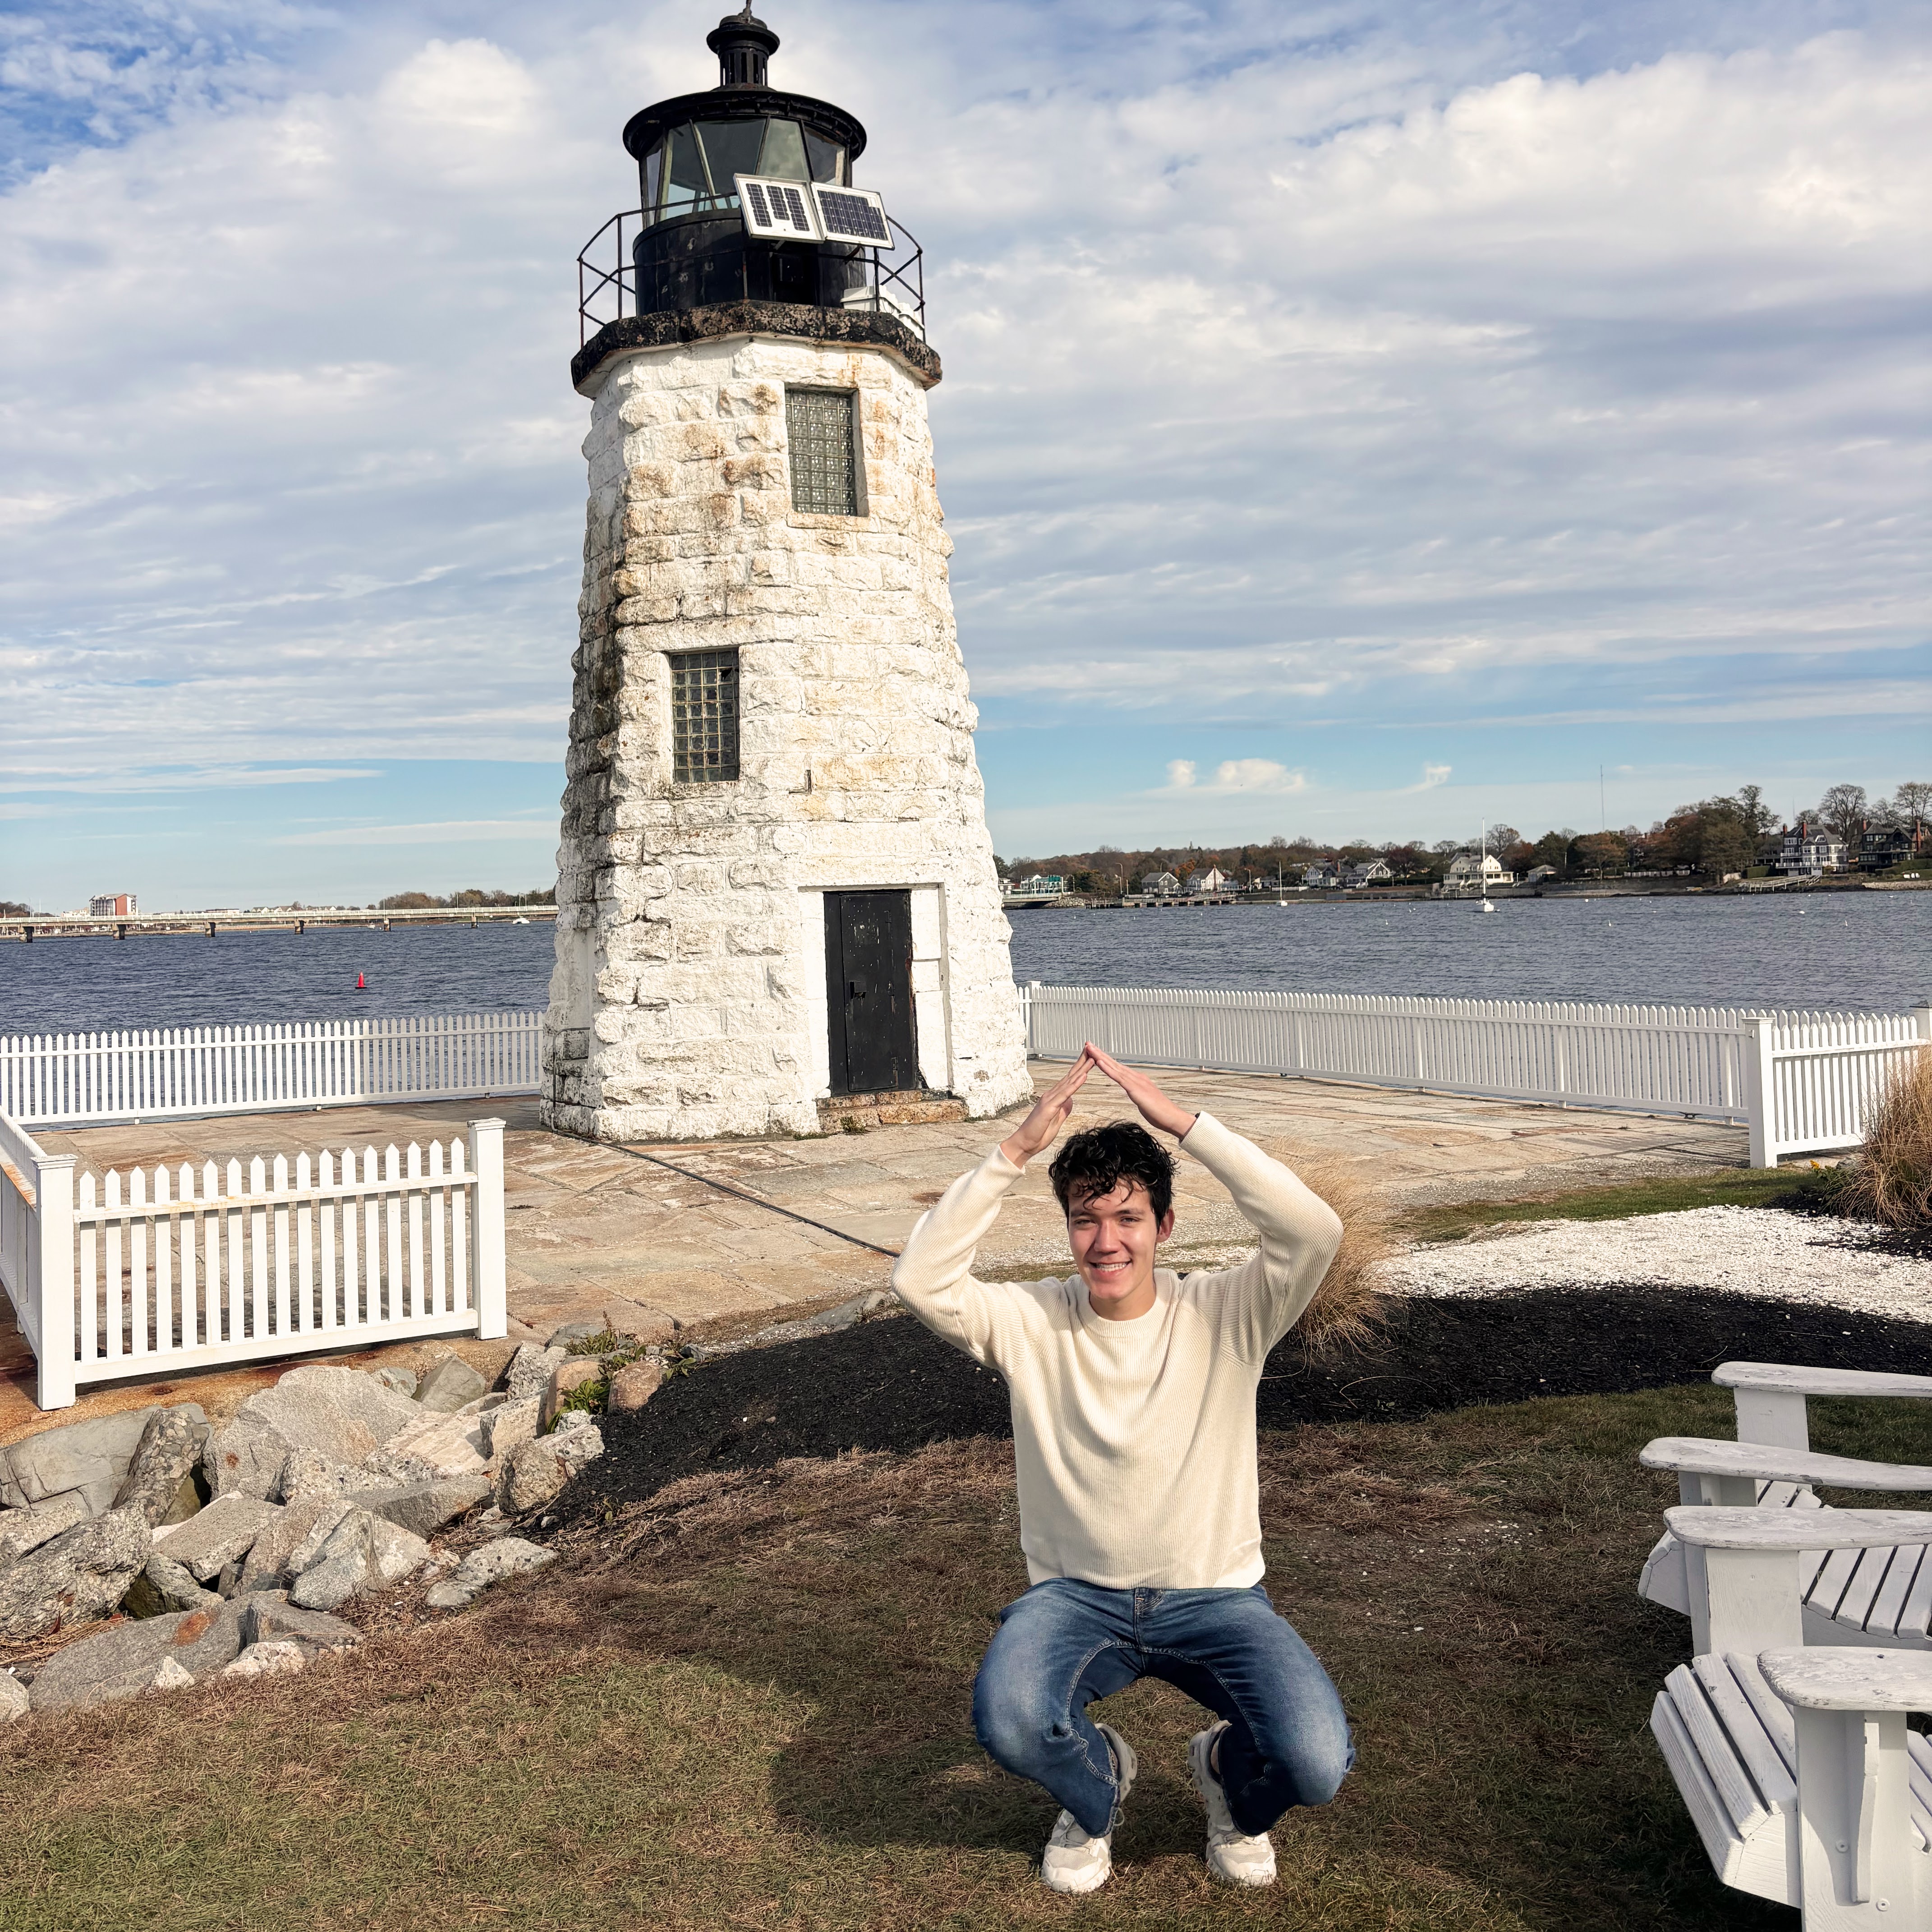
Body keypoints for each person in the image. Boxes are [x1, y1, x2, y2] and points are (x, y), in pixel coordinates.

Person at [889, 1042, 1354, 1893]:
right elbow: (920, 1280)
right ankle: (1099, 1784)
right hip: (1076, 1598)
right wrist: (1015, 1151)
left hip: (1216, 1597)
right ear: (1068, 1226)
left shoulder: (1231, 1311)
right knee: (1013, 1721)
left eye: (1129, 1218)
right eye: (1085, 1219)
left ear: (1164, 1227)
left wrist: (1187, 1126)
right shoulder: (1030, 1321)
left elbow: (1315, 1231)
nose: (1106, 1242)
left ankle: (1227, 1778)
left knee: (1315, 1762)